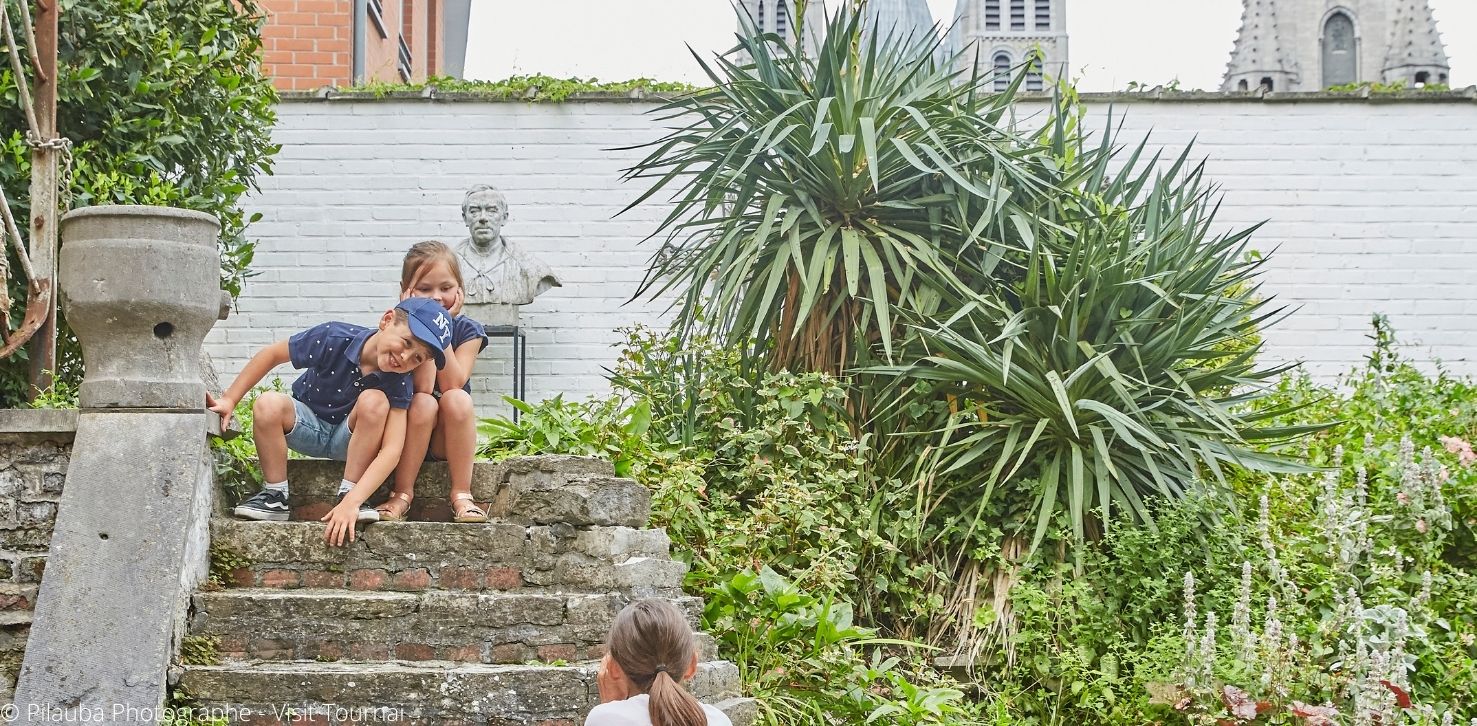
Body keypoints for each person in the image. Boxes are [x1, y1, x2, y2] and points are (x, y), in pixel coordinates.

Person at [206, 297, 452, 546]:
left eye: (417, 358)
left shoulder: (399, 381)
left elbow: (391, 450)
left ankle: (347, 491)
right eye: (406, 342)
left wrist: (354, 500)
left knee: (374, 400)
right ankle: (275, 494)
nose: (405, 357)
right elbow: (272, 355)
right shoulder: (334, 337)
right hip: (307, 426)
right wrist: (229, 399)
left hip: (352, 440)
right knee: (267, 403)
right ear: (387, 320)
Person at [379, 241, 490, 523]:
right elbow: (423, 388)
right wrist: (424, 329)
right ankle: (402, 494)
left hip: (445, 438)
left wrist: (442, 329)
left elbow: (453, 381)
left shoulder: (468, 330)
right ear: (406, 291)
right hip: (407, 432)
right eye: (425, 289)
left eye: (445, 287)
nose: (437, 297)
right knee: (424, 402)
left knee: (457, 397)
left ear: (459, 289)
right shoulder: (399, 328)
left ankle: (462, 494)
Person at [586, 599, 732, 726]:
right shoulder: (719, 720)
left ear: (613, 668)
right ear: (692, 665)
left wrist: (610, 708)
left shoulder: (604, 718)